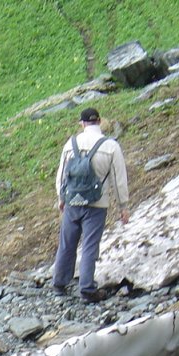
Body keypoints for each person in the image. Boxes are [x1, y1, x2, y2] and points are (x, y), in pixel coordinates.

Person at [51, 107, 130, 302]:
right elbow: (118, 180)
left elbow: (62, 174)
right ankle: (86, 289)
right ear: (100, 121)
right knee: (89, 246)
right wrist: (123, 206)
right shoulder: (110, 146)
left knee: (67, 243)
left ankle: (59, 284)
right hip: (97, 203)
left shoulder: (71, 143)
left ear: (82, 123)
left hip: (72, 202)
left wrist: (61, 198)